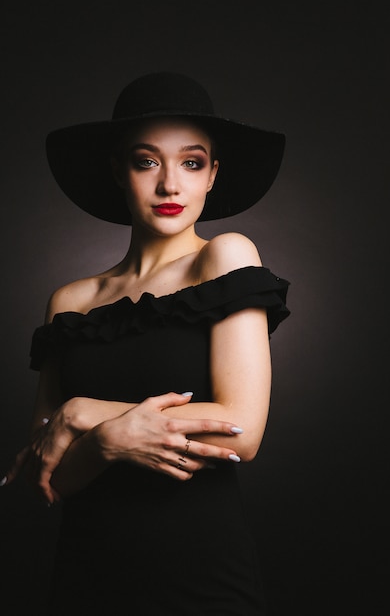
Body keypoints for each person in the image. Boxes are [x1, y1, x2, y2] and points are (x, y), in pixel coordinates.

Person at [2, 71, 290, 615]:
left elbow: (241, 429)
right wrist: (109, 443)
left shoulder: (224, 257)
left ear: (212, 175)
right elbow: (49, 477)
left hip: (202, 575)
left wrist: (84, 413)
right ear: (118, 171)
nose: (170, 186)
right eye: (146, 161)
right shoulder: (70, 301)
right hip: (86, 575)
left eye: (191, 162)